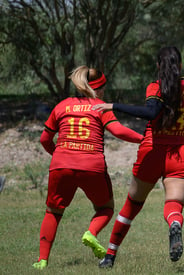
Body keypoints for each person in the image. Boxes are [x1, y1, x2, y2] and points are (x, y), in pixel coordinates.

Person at [92, 46, 184, 268]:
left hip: (152, 151)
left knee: (132, 205)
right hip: (182, 153)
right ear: (180, 66)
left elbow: (151, 113)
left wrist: (113, 105)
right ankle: (174, 224)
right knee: (174, 205)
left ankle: (110, 257)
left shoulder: (155, 87)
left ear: (157, 66)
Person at [32, 66, 143, 270]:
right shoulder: (100, 106)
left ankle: (42, 260)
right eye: (103, 88)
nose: (104, 92)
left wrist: (60, 155)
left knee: (53, 212)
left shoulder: (62, 105)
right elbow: (118, 130)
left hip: (61, 165)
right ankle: (91, 233)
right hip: (92, 165)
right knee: (105, 208)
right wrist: (142, 139)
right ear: (97, 89)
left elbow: (44, 138)